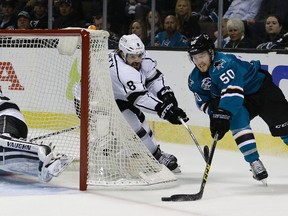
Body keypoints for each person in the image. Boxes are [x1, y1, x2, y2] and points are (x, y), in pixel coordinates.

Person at [187, 33, 288, 183]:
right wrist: (214, 114)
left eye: (201, 55)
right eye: (194, 57)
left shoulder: (224, 63)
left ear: (211, 52)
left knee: (285, 127)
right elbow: (203, 102)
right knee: (236, 118)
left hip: (262, 90)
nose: (199, 61)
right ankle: (254, 162)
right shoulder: (195, 79)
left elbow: (233, 92)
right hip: (243, 100)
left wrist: (223, 113)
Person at [108, 34, 189, 172]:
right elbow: (140, 99)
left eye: (139, 55)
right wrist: (165, 110)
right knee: (133, 127)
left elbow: (153, 79)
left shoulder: (142, 58)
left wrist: (165, 94)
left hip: (118, 95)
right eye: (132, 56)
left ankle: (156, 154)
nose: (137, 60)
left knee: (140, 120)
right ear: (122, 53)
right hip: (93, 98)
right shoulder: (122, 71)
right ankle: (109, 152)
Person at [0, 89, 71, 183]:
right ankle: (47, 166)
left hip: (7, 116)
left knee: (2, 143)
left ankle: (42, 150)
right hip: (14, 121)